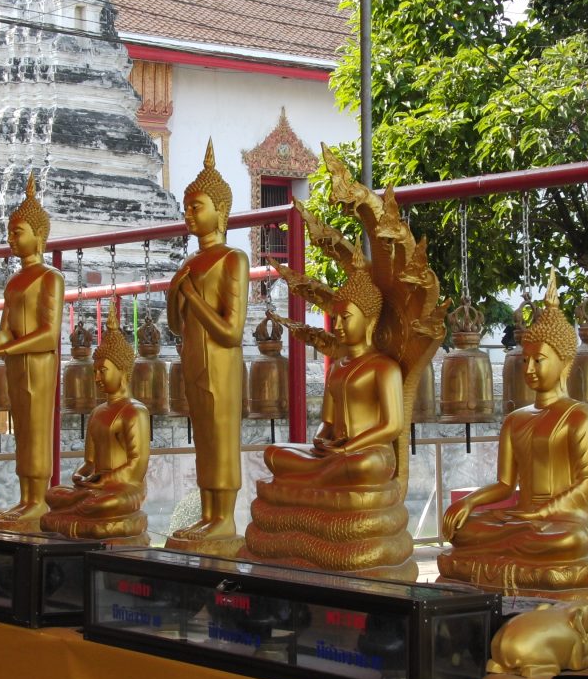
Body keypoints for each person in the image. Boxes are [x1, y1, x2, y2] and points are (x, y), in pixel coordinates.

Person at [439, 271, 588, 597]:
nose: (528, 369)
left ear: (564, 361)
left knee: (565, 541)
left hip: (562, 521)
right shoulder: (516, 420)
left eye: (538, 361)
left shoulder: (581, 417)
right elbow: (505, 484)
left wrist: (541, 513)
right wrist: (469, 502)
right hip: (520, 517)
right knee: (464, 531)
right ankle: (513, 553)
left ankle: (517, 554)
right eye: (525, 360)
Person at [0, 173, 63, 530]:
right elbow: (7, 328)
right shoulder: (14, 281)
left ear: (39, 235)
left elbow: (48, 334)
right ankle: (25, 497)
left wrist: (7, 348)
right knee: (21, 431)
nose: (11, 238)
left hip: (38, 365)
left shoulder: (50, 277)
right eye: (10, 232)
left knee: (37, 430)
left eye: (18, 231)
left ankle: (38, 500)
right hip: (16, 364)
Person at [166, 140, 248, 542]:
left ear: (221, 210)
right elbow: (176, 327)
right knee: (204, 440)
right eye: (187, 207)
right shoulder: (188, 264)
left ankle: (225, 518)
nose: (189, 214)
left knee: (222, 437)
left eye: (197, 206)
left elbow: (231, 331)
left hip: (222, 364)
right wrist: (174, 293)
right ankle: (207, 512)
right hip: (195, 363)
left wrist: (192, 296)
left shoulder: (233, 259)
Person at [263, 269, 403, 486]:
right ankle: (318, 476)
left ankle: (310, 480)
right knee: (274, 452)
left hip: (370, 453)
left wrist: (347, 449)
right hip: (334, 452)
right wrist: (320, 438)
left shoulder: (384, 368)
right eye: (335, 318)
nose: (337, 326)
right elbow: (327, 422)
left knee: (360, 465)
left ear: (370, 321)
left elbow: (392, 426)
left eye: (345, 318)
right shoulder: (336, 368)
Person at [42, 305, 150, 541]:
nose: (97, 377)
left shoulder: (135, 412)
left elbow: (137, 466)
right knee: (53, 494)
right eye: (95, 372)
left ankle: (76, 510)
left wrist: (104, 481)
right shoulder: (97, 412)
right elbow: (90, 462)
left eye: (103, 371)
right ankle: (78, 507)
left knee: (102, 503)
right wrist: (80, 475)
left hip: (124, 488)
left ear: (122, 370)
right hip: (93, 487)